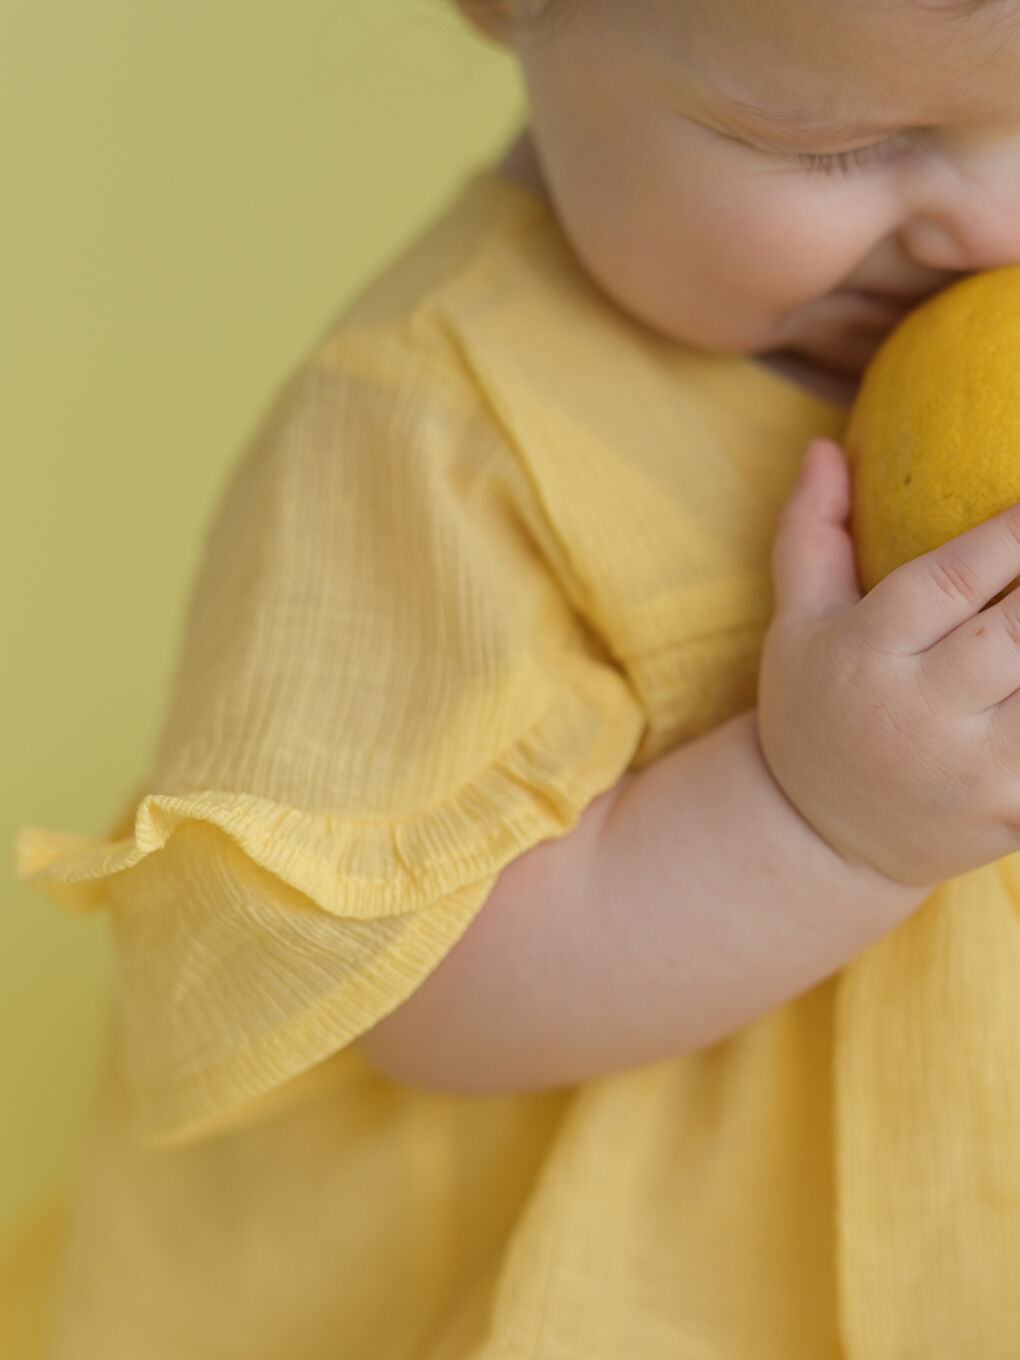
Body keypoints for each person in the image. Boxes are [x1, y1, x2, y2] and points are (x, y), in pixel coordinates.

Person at [14, 0, 1020, 1354]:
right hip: (665, 1285)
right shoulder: (432, 438)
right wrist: (814, 820)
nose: (997, 224)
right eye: (840, 149)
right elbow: (409, 992)